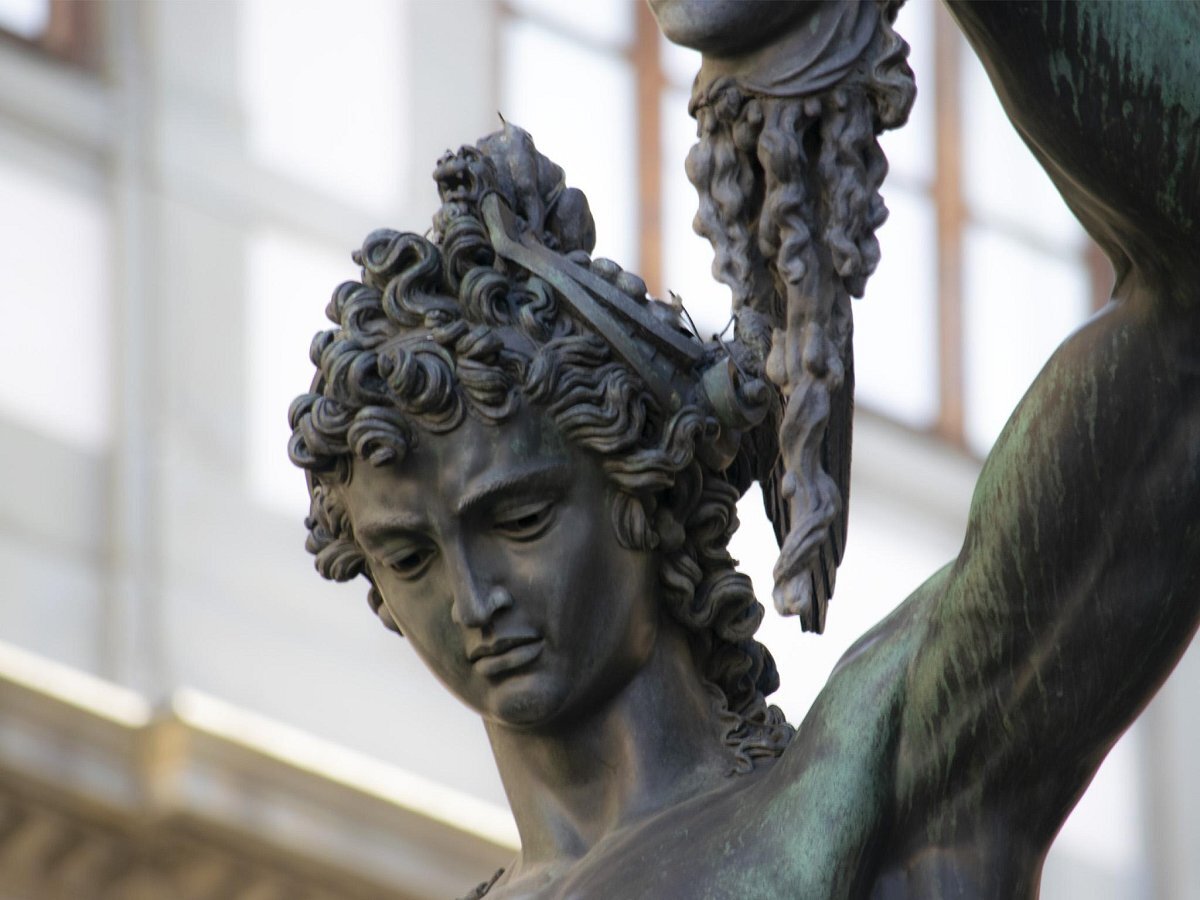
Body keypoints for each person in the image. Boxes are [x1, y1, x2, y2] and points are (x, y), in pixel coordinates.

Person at [289, 2, 1199, 896]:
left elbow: (1182, 317)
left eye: (520, 519)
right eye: (409, 557)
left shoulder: (871, 781)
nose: (473, 599)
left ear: (647, 493)